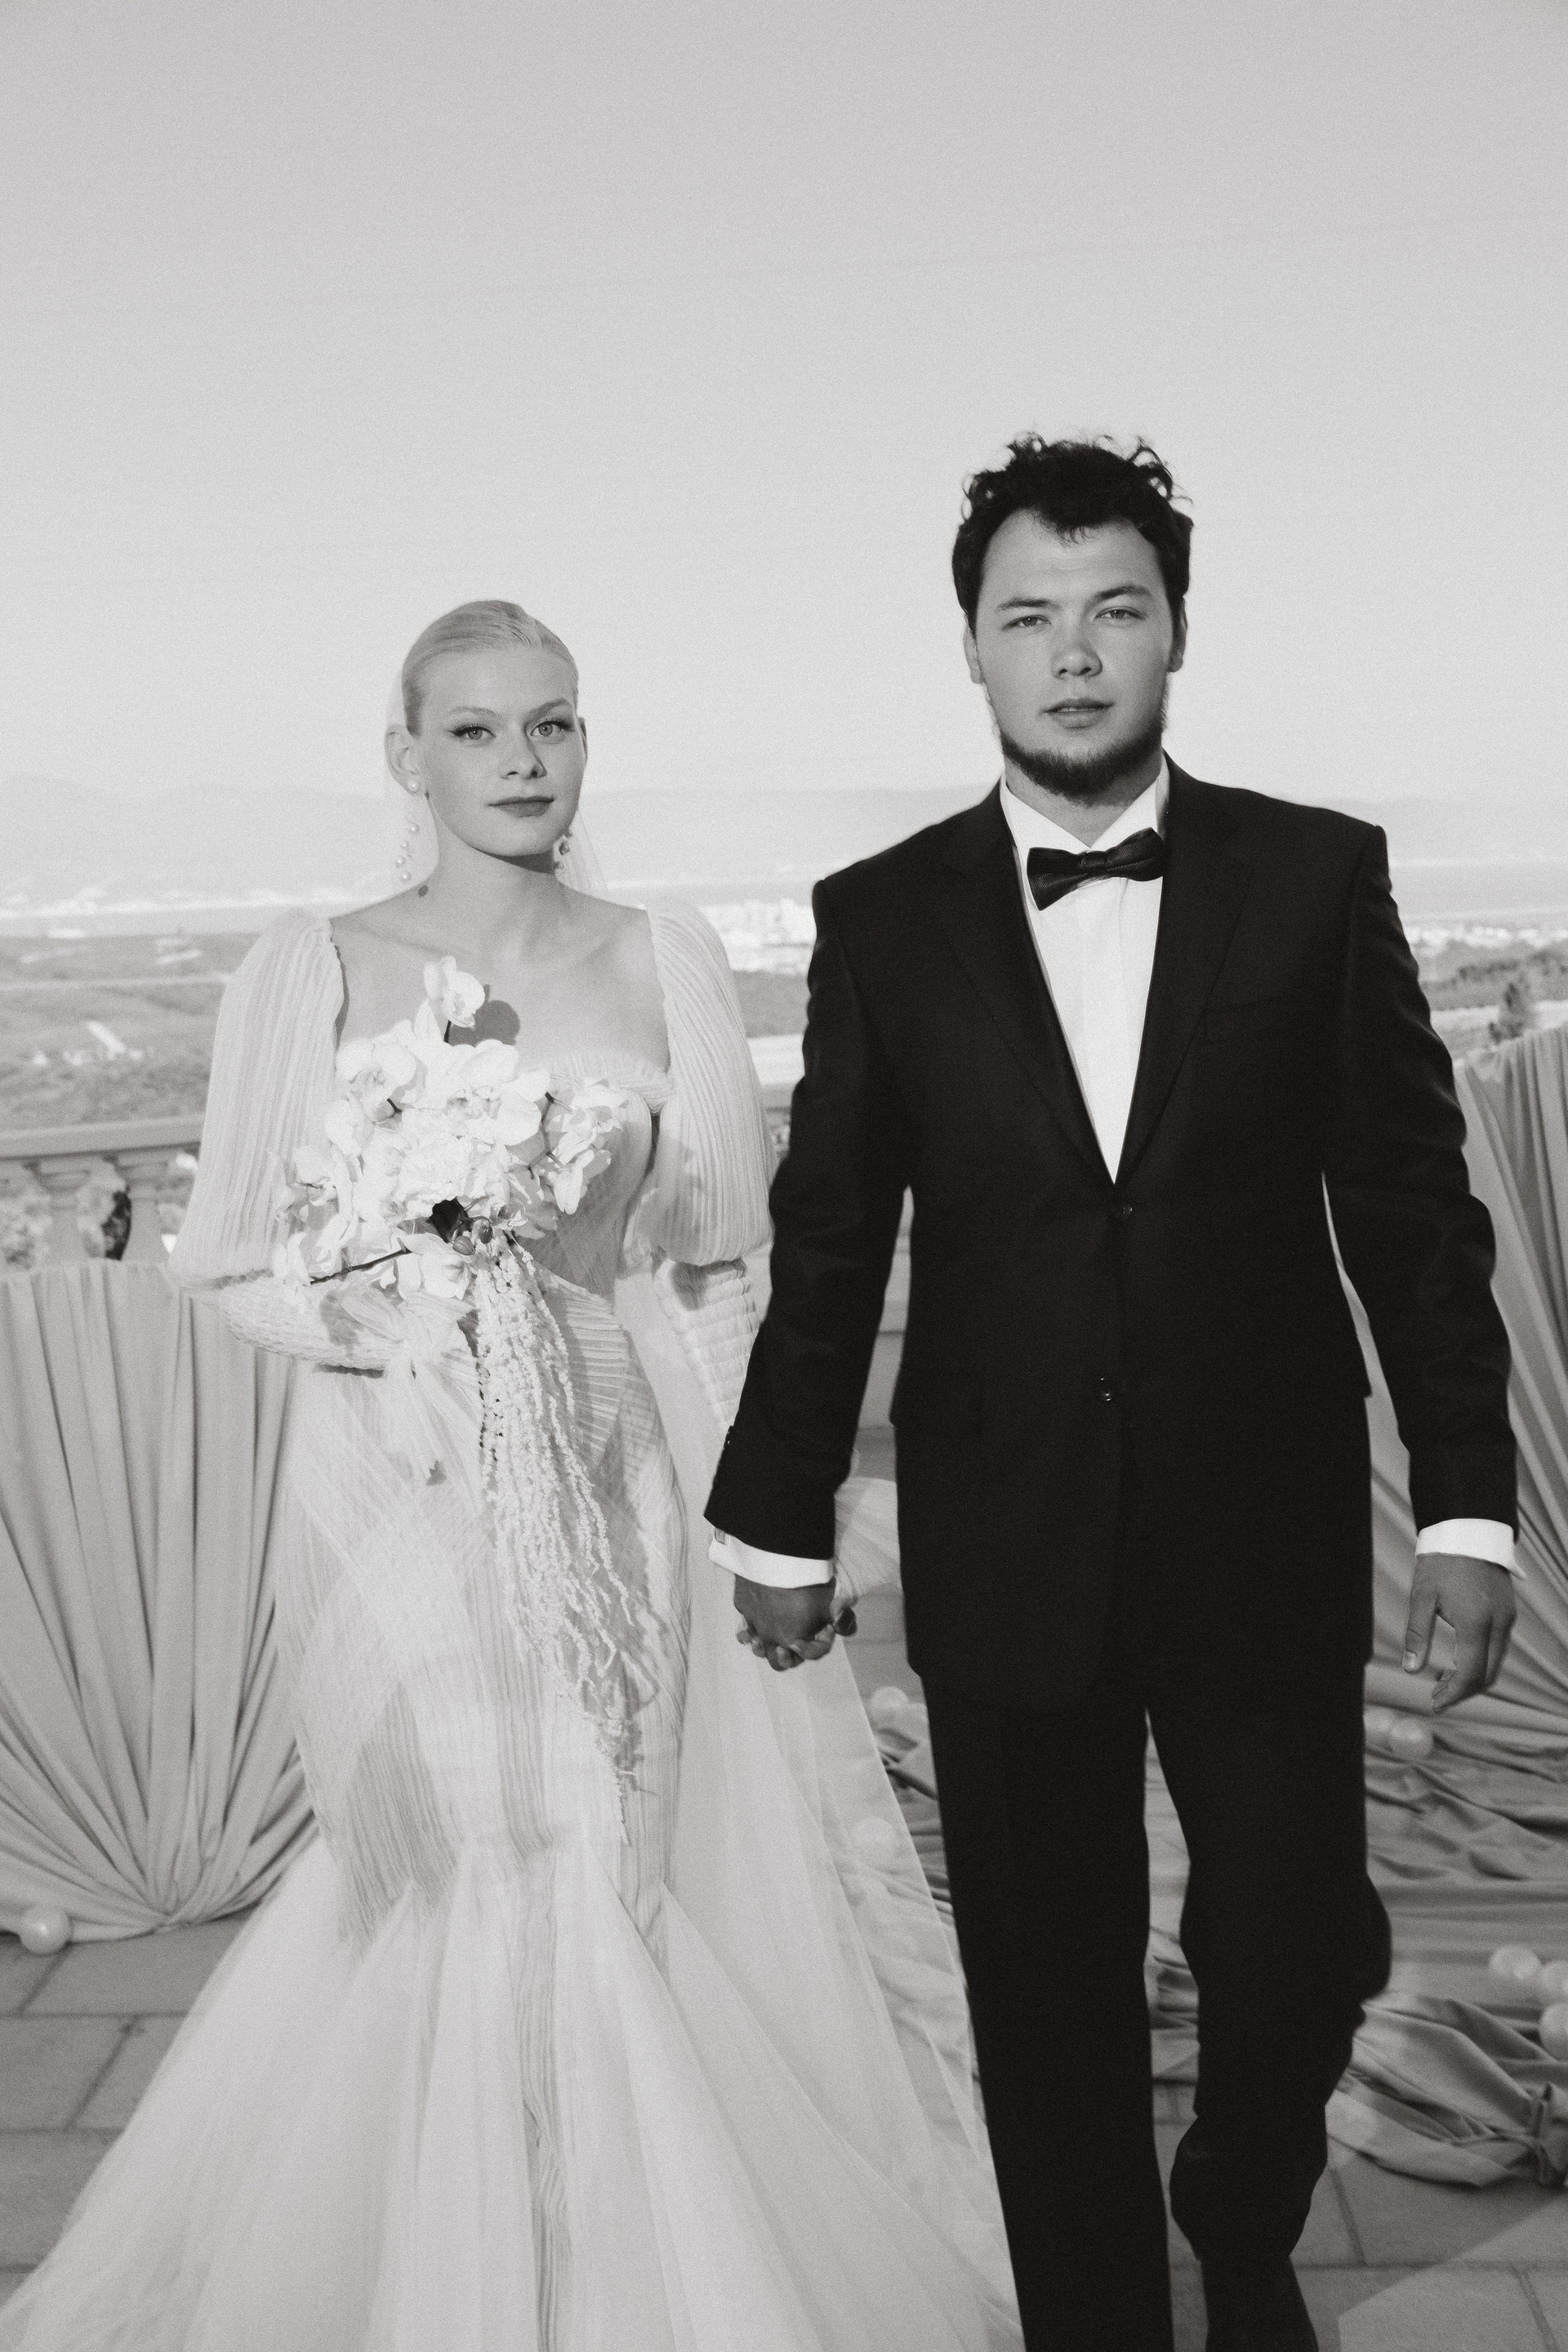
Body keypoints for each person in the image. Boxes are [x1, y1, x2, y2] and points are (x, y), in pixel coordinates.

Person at [0, 601, 1019, 2351]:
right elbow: (229, 1263)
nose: (523, 761)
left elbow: (721, 1257)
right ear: (406, 756)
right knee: (446, 1863)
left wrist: (760, 1514)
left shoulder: (662, 955)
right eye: (476, 729)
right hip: (391, 1491)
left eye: (553, 723)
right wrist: (412, 1328)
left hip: (620, 1484)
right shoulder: (309, 968)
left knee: (604, 1864)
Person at [706, 441, 1520, 2352]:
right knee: (1046, 1996)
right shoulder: (882, 916)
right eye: (1029, 619)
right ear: (974, 653)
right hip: (1006, 1534)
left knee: (1298, 1944)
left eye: (1113, 611)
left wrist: (1470, 1505)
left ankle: (1241, 2216)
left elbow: (1414, 1214)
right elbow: (831, 1238)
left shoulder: (1316, 876)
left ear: (1175, 632)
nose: (1072, 655)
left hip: (1263, 1524)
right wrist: (780, 1516)